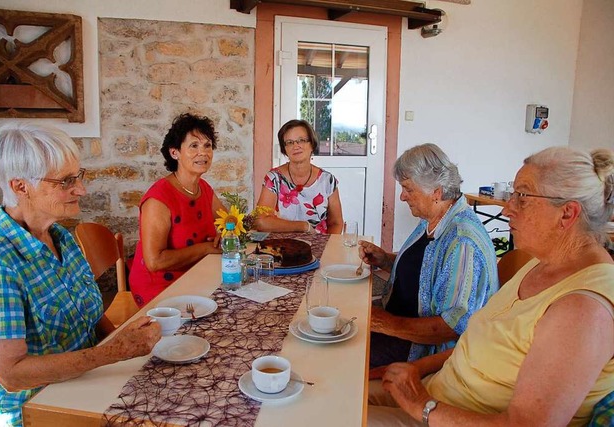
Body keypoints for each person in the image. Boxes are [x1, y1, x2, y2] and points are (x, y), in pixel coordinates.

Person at [368, 146, 614, 427]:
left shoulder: (583, 310)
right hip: (438, 392)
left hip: (447, 415)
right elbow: (479, 342)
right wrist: (415, 369)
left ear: (567, 214)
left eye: (521, 197)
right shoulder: (544, 265)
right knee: (331, 391)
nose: (507, 208)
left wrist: (421, 406)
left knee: (329, 411)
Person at [0, 123, 161, 427]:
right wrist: (114, 352)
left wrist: (132, 350)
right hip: (40, 409)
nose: (81, 189)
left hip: (89, 383)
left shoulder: (61, 237)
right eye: (65, 181)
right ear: (21, 187)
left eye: (79, 176)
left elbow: (94, 319)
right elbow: (12, 374)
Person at [358, 143, 498, 369]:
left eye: (408, 189)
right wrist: (385, 260)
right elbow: (426, 269)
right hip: (398, 324)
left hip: (424, 350)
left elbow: (452, 326)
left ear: (437, 192)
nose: (402, 197)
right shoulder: (433, 220)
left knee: (340, 355)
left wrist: (384, 323)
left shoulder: (462, 242)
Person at [129, 113, 225, 307]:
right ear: (175, 153)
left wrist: (224, 232)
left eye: (207, 146)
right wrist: (206, 248)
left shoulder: (203, 188)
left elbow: (227, 218)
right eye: (194, 146)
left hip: (196, 275)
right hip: (161, 287)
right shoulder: (159, 198)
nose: (203, 153)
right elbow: (154, 261)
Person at [254, 119, 343, 234]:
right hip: (283, 247)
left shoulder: (327, 181)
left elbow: (336, 223)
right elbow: (260, 222)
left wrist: (328, 247)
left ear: (312, 144)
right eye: (290, 142)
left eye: (301, 140)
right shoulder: (274, 179)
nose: (296, 146)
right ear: (284, 149)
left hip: (319, 247)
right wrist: (303, 226)